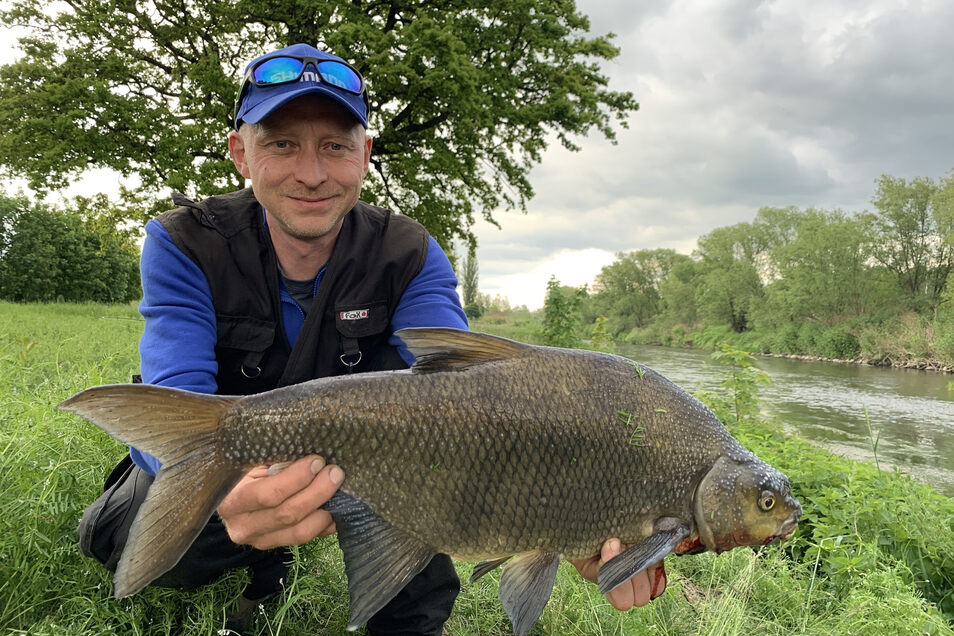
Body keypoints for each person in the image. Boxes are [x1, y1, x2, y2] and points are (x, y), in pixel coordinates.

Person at [76, 42, 665, 635]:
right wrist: (236, 490)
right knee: (116, 536)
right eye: (282, 143)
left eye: (335, 145)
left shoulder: (409, 252)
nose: (312, 173)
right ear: (241, 153)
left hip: (378, 464)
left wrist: (576, 516)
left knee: (429, 526)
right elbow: (175, 391)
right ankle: (265, 556)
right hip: (234, 450)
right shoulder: (183, 242)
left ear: (365, 155)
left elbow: (468, 400)